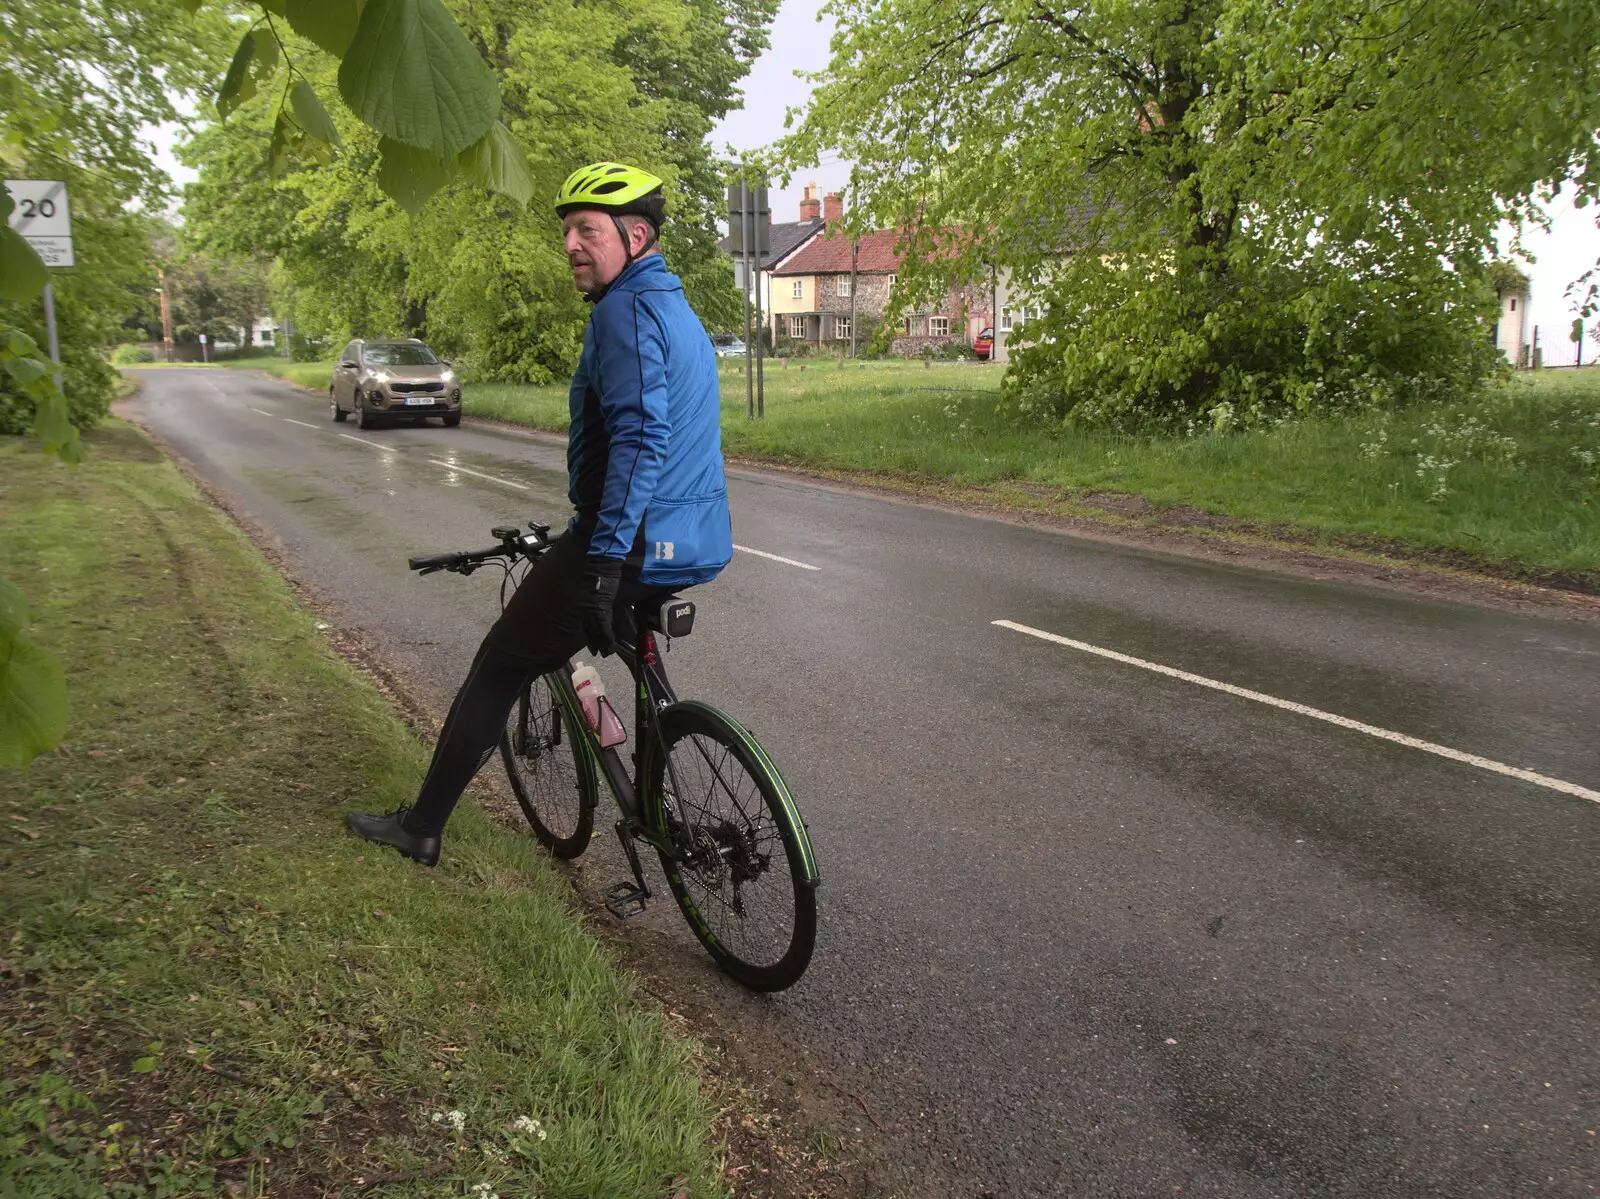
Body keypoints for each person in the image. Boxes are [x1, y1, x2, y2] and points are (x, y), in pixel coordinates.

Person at [345, 161, 733, 866]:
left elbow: (643, 436)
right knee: (617, 640)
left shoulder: (625, 312)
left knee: (498, 666)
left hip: (630, 544)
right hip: (694, 538)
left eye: (588, 230)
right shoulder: (675, 308)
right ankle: (661, 795)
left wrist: (606, 556)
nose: (571, 245)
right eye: (567, 232)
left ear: (635, 235)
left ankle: (421, 828)